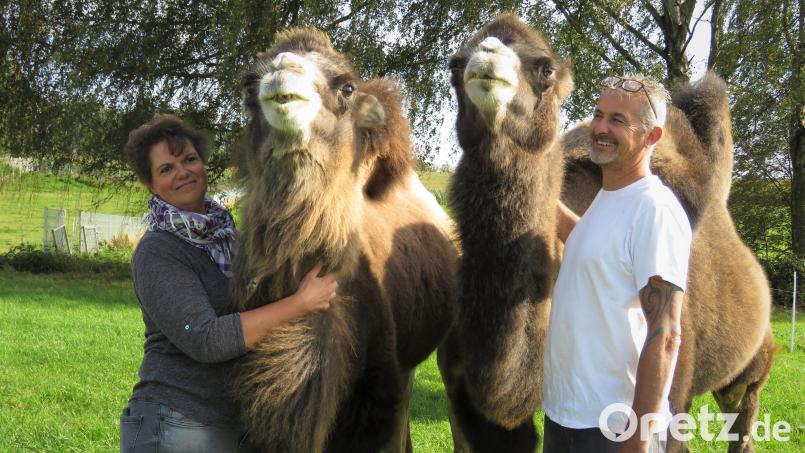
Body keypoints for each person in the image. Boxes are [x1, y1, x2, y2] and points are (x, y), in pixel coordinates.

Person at [119, 114, 339, 453]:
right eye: (166, 169)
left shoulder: (226, 235)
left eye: (189, 159)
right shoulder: (158, 251)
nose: (182, 172)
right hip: (175, 422)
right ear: (150, 184)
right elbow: (206, 338)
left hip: (225, 425)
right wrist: (300, 304)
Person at [543, 75, 693, 453]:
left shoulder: (654, 210)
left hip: (613, 427)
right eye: (598, 115)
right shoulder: (608, 199)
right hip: (566, 416)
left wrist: (639, 436)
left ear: (652, 137)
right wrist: (535, 191)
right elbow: (595, 249)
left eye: (618, 120)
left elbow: (667, 334)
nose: (600, 128)